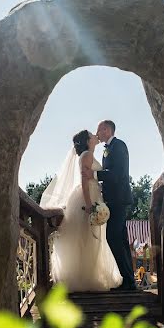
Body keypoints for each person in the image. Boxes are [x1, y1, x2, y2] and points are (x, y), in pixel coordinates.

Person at [39, 130, 122, 292]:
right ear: (87, 140)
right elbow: (85, 182)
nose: (95, 136)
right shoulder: (87, 155)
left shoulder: (86, 154)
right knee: (88, 238)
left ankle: (87, 276)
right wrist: (89, 204)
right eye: (92, 135)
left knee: (88, 238)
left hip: (90, 195)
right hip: (87, 197)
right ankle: (86, 278)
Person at [95, 120, 137, 290]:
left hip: (118, 199)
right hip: (113, 199)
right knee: (120, 239)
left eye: (99, 129)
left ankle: (127, 280)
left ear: (107, 130)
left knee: (113, 237)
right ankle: (128, 280)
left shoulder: (119, 146)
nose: (97, 132)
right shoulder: (108, 148)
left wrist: (95, 175)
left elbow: (117, 173)